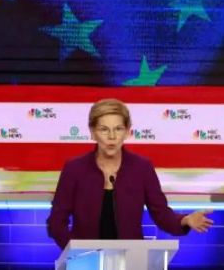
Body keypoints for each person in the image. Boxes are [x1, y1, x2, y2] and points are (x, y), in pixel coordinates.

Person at [47, 98, 213, 248]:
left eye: (118, 129)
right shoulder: (74, 169)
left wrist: (185, 220)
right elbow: (56, 222)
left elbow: (161, 214)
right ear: (92, 132)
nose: (112, 136)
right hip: (85, 261)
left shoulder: (142, 168)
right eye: (104, 129)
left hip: (130, 260)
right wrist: (74, 251)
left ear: (127, 132)